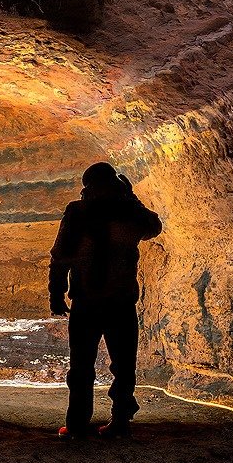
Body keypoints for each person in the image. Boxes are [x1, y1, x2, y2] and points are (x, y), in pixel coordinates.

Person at [48, 162, 162, 439]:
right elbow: (153, 228)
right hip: (120, 300)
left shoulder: (77, 211)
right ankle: (120, 421)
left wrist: (56, 292)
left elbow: (60, 255)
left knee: (81, 365)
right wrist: (131, 197)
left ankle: (76, 425)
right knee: (123, 365)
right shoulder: (128, 212)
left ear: (88, 187)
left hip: (87, 300)